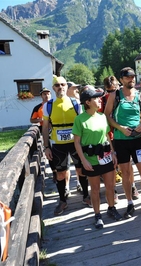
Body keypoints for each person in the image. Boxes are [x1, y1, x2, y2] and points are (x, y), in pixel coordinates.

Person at [104, 67, 141, 219]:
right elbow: (107, 116)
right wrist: (120, 128)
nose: (131, 79)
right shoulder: (115, 95)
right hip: (121, 141)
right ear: (121, 80)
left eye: (133, 76)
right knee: (126, 173)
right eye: (128, 77)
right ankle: (129, 202)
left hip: (137, 140)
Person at [73, 86, 122, 228]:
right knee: (94, 189)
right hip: (91, 159)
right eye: (96, 98)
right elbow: (76, 142)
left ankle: (112, 209)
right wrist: (83, 161)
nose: (100, 100)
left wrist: (113, 153)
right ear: (88, 102)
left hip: (106, 156)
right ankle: (97, 215)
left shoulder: (102, 117)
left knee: (110, 186)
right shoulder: (80, 119)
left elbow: (107, 136)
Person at [42, 76, 91, 216]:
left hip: (75, 142)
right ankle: (62, 200)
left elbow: (83, 123)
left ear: (66, 86)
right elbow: (45, 128)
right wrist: (46, 147)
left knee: (81, 170)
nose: (60, 87)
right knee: (61, 173)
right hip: (58, 144)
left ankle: (86, 196)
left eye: (63, 84)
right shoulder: (48, 105)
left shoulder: (75, 103)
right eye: (57, 85)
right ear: (53, 88)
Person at [66, 81, 83, 194]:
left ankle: (79, 183)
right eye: (74, 88)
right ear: (67, 90)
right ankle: (66, 188)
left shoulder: (77, 103)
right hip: (61, 140)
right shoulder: (56, 103)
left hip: (76, 137)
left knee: (78, 163)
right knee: (65, 165)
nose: (77, 90)